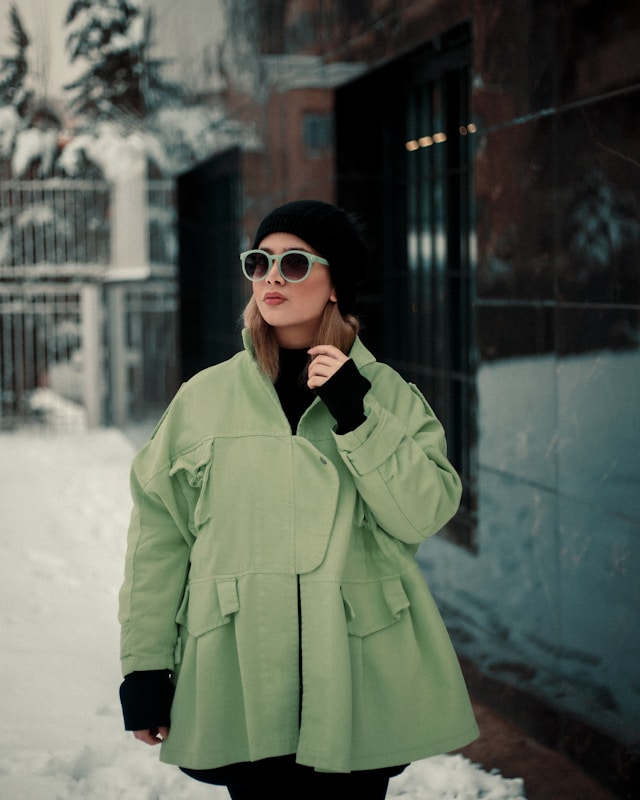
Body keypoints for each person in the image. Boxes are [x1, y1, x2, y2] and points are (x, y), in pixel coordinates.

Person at [118, 200, 479, 799]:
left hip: (355, 671)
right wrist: (145, 667)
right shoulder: (203, 398)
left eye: (294, 263)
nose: (271, 279)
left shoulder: (385, 393)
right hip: (240, 670)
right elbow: (158, 541)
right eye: (259, 263)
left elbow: (424, 512)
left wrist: (358, 416)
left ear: (336, 284)